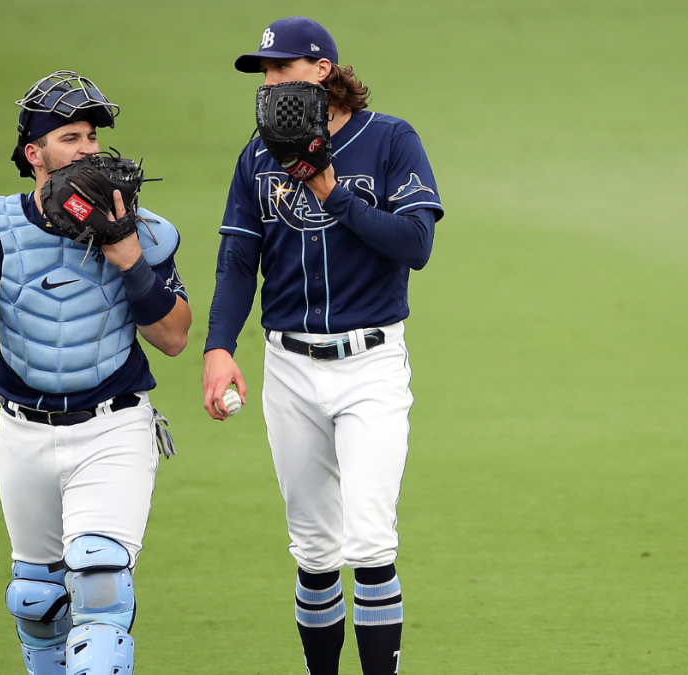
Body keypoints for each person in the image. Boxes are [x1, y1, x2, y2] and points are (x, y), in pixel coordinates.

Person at [201, 18, 443, 675]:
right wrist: (219, 346)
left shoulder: (390, 139)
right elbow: (235, 260)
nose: (270, 80)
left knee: (368, 539)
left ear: (322, 70)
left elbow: (416, 245)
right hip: (288, 367)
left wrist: (331, 190)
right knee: (312, 549)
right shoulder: (256, 156)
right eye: (264, 72)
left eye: (280, 68)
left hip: (371, 364)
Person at [0, 71, 190, 675]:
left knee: (100, 582)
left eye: (91, 139)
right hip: (23, 432)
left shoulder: (139, 226)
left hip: (112, 427)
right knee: (37, 602)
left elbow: (174, 337)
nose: (88, 150)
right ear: (35, 153)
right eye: (71, 138)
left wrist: (128, 258)